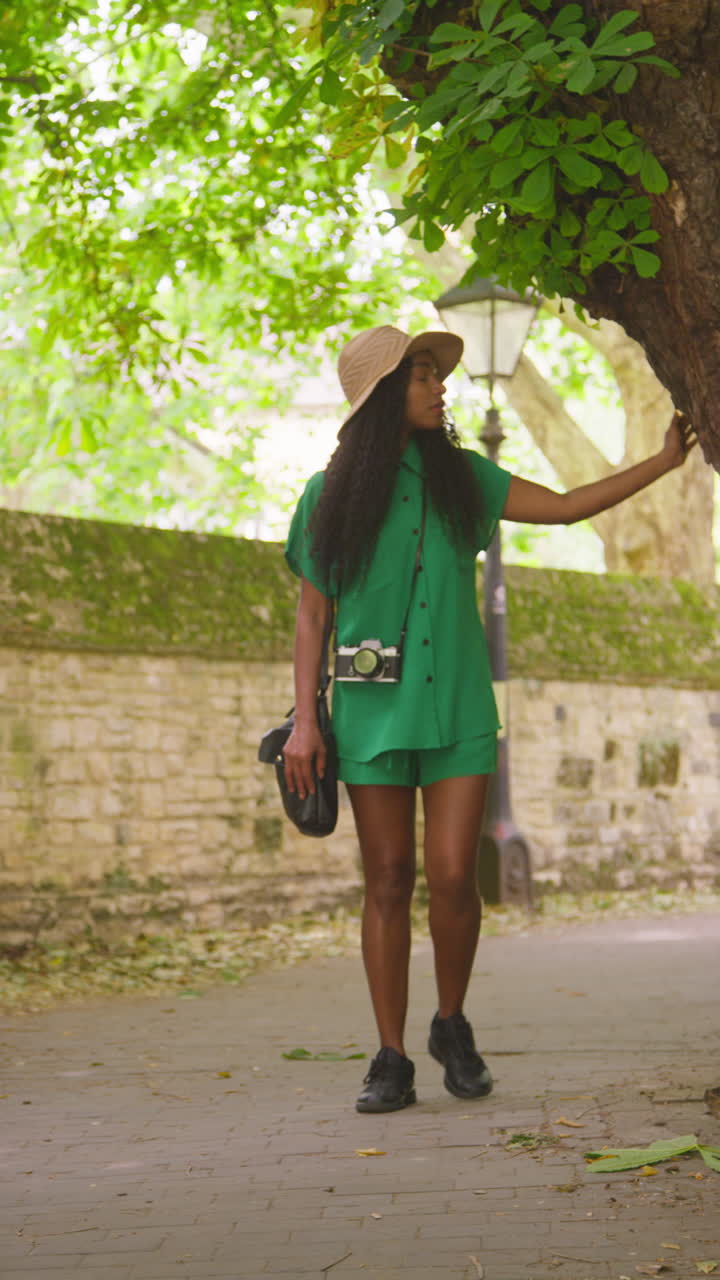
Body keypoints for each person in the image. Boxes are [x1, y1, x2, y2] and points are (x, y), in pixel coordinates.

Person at [282, 323, 696, 1114]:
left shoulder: (462, 480)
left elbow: (572, 507)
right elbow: (311, 619)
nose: (440, 387)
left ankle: (450, 1023)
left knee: (451, 879)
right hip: (368, 717)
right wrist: (306, 722)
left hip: (461, 709)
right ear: (381, 399)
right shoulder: (326, 496)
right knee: (388, 882)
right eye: (423, 377)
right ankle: (390, 1057)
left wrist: (663, 461)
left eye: (438, 375)